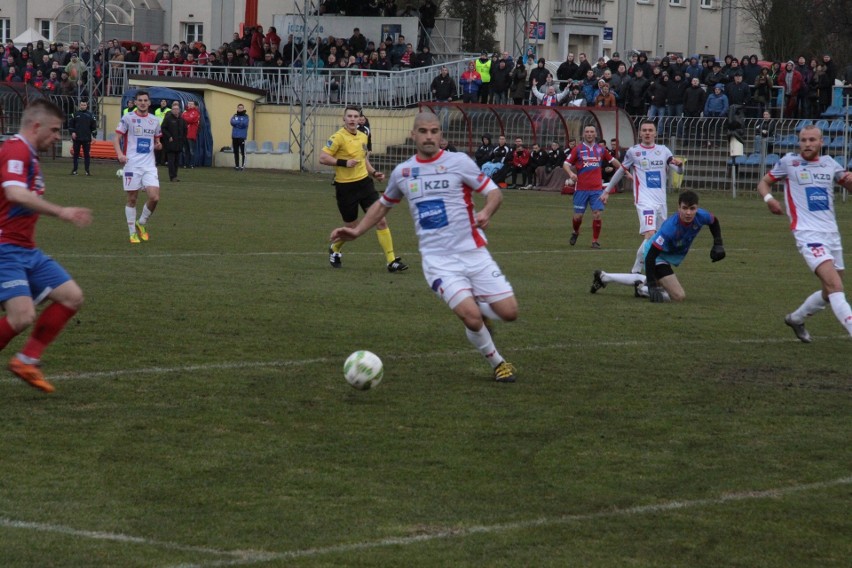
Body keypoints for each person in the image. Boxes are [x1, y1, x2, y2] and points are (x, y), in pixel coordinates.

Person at [329, 112, 518, 382]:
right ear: (413, 135)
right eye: (423, 131)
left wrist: (487, 211)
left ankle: (477, 306)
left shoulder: (459, 162)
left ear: (441, 135)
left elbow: (494, 192)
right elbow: (383, 204)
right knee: (472, 318)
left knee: (509, 313)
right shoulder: (404, 172)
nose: (429, 136)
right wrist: (357, 231)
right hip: (438, 261)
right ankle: (498, 363)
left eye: (434, 131)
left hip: (474, 252)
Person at [0, 98, 93, 393]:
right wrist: (61, 211)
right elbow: (14, 193)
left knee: (71, 296)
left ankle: (27, 360)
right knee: (22, 316)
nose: (57, 138)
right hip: (4, 249)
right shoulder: (16, 149)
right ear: (36, 126)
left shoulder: (30, 156)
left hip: (26, 249)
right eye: (54, 131)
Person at [756, 125, 852, 342]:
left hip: (832, 234)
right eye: (803, 140)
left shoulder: (830, 164)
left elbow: (847, 183)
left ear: (821, 142)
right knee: (836, 286)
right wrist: (769, 200)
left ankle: (796, 318)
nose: (807, 144)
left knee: (830, 291)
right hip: (807, 234)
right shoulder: (789, 163)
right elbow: (764, 183)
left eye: (811, 140)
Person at [590, 190, 725, 302]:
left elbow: (714, 221)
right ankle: (642, 289)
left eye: (692, 208)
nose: (688, 213)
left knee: (658, 283)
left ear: (697, 208)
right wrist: (652, 287)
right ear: (679, 208)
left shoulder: (702, 215)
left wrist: (718, 243)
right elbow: (650, 256)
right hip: (655, 255)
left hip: (664, 255)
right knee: (678, 296)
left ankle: (604, 277)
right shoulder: (670, 228)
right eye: (684, 208)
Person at [320, 106, 408, 273]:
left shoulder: (363, 136)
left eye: (356, 116)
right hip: (345, 187)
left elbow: (363, 160)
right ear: (344, 119)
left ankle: (391, 260)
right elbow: (323, 157)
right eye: (349, 116)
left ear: (360, 119)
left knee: (380, 219)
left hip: (364, 184)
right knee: (352, 228)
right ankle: (335, 247)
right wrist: (344, 163)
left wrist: (374, 172)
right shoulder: (337, 137)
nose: (353, 119)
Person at [603, 120, 683, 273]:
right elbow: (621, 171)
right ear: (640, 133)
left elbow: (677, 170)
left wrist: (680, 166)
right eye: (644, 130)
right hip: (644, 201)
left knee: (658, 238)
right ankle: (639, 270)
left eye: (650, 130)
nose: (647, 133)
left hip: (661, 202)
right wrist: (607, 190)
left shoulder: (664, 150)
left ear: (655, 133)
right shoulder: (634, 151)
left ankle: (638, 270)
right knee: (650, 234)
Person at [113, 90, 162, 244]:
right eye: (139, 100)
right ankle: (132, 233)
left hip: (149, 166)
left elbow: (157, 141)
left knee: (154, 197)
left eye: (145, 100)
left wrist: (159, 145)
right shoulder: (128, 118)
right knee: (132, 199)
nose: (142, 102)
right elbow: (117, 138)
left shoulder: (154, 121)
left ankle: (141, 223)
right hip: (132, 165)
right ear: (135, 102)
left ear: (149, 103)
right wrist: (120, 154)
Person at [563, 124, 622, 249]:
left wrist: (624, 169)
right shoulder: (578, 149)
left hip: (596, 189)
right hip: (581, 189)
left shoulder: (601, 150)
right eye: (587, 132)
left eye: (591, 132)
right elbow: (565, 164)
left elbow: (612, 161)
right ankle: (576, 231)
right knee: (578, 217)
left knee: (597, 214)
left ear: (595, 134)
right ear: (584, 134)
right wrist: (571, 173)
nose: (589, 134)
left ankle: (595, 240)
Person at [68, 100, 97, 176]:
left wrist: (94, 136)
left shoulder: (90, 115)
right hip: (77, 138)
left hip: (87, 138)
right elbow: (70, 125)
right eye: (81, 105)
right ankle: (74, 170)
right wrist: (72, 132)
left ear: (86, 106)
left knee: (87, 155)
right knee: (76, 155)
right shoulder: (74, 114)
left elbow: (93, 127)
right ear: (79, 106)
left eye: (84, 105)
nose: (83, 106)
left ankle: (87, 171)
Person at [161, 101, 186, 182]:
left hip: (179, 143)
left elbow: (185, 130)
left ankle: (175, 175)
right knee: (171, 160)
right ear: (171, 110)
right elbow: (163, 128)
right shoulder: (168, 118)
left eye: (177, 109)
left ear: (179, 110)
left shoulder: (182, 119)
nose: (175, 110)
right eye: (174, 109)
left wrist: (183, 138)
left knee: (176, 161)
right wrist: (169, 136)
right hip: (170, 143)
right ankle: (172, 176)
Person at [230, 103, 249, 171]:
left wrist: (237, 123)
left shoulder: (246, 116)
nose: (240, 109)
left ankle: (243, 166)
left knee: (243, 152)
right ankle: (237, 166)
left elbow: (244, 124)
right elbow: (232, 122)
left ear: (243, 109)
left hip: (242, 136)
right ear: (237, 108)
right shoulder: (235, 115)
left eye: (241, 108)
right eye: (239, 108)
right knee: (236, 152)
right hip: (235, 136)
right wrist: (239, 122)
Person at [182, 100, 200, 168]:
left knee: (191, 150)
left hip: (191, 133)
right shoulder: (185, 112)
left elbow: (191, 119)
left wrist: (185, 118)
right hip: (185, 134)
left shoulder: (196, 112)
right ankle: (186, 164)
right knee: (185, 150)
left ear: (194, 105)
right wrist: (186, 118)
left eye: (191, 104)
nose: (189, 105)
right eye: (189, 103)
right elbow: (182, 119)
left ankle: (192, 164)